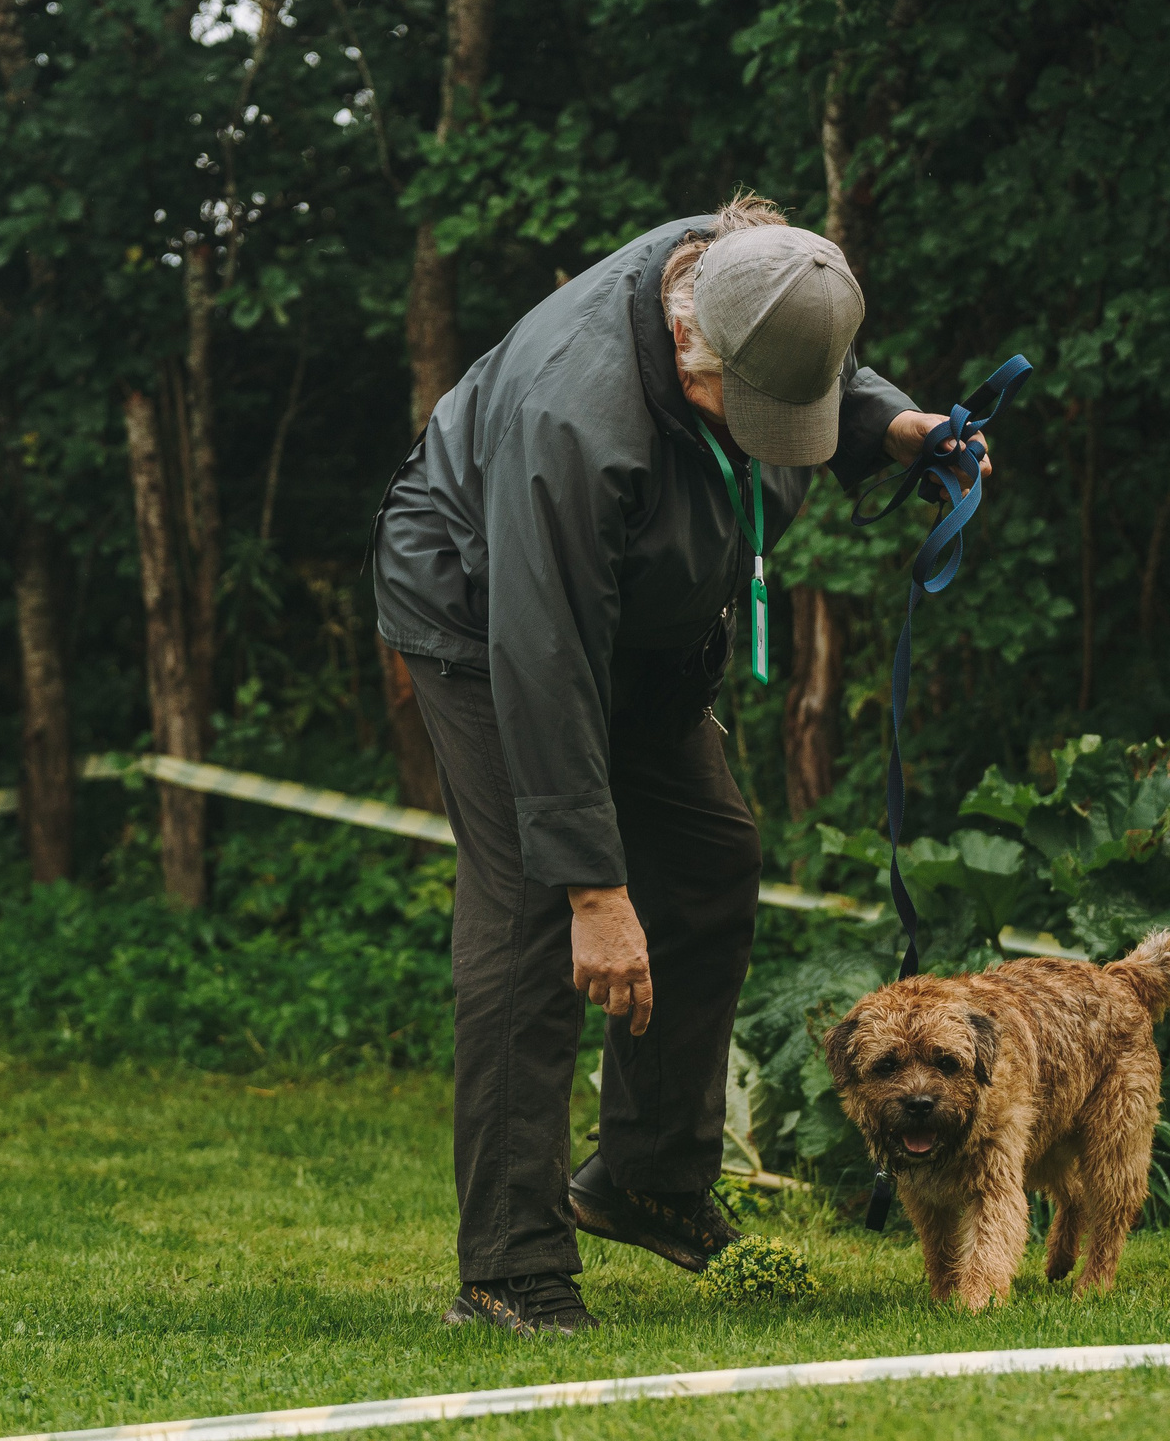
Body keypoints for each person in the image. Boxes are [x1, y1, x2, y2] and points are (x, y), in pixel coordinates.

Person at [370, 192, 991, 1334]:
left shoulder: (763, 278)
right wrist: (596, 891)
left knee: (708, 861)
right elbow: (543, 655)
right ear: (679, 342)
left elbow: (815, 369)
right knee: (527, 920)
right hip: (485, 622)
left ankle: (647, 1180)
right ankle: (510, 1267)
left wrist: (893, 424)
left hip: (643, 625)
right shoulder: (573, 420)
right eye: (739, 405)